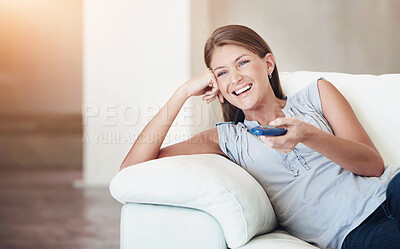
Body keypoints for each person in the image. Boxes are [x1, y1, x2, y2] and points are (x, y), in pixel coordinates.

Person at [120, 24, 400, 249]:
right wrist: (181, 93)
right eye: (222, 73)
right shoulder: (227, 139)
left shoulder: (317, 94)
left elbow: (373, 166)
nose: (235, 78)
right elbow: (132, 168)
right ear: (215, 84)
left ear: (268, 64)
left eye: (242, 63)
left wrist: (308, 135)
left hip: (390, 193)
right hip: (355, 234)